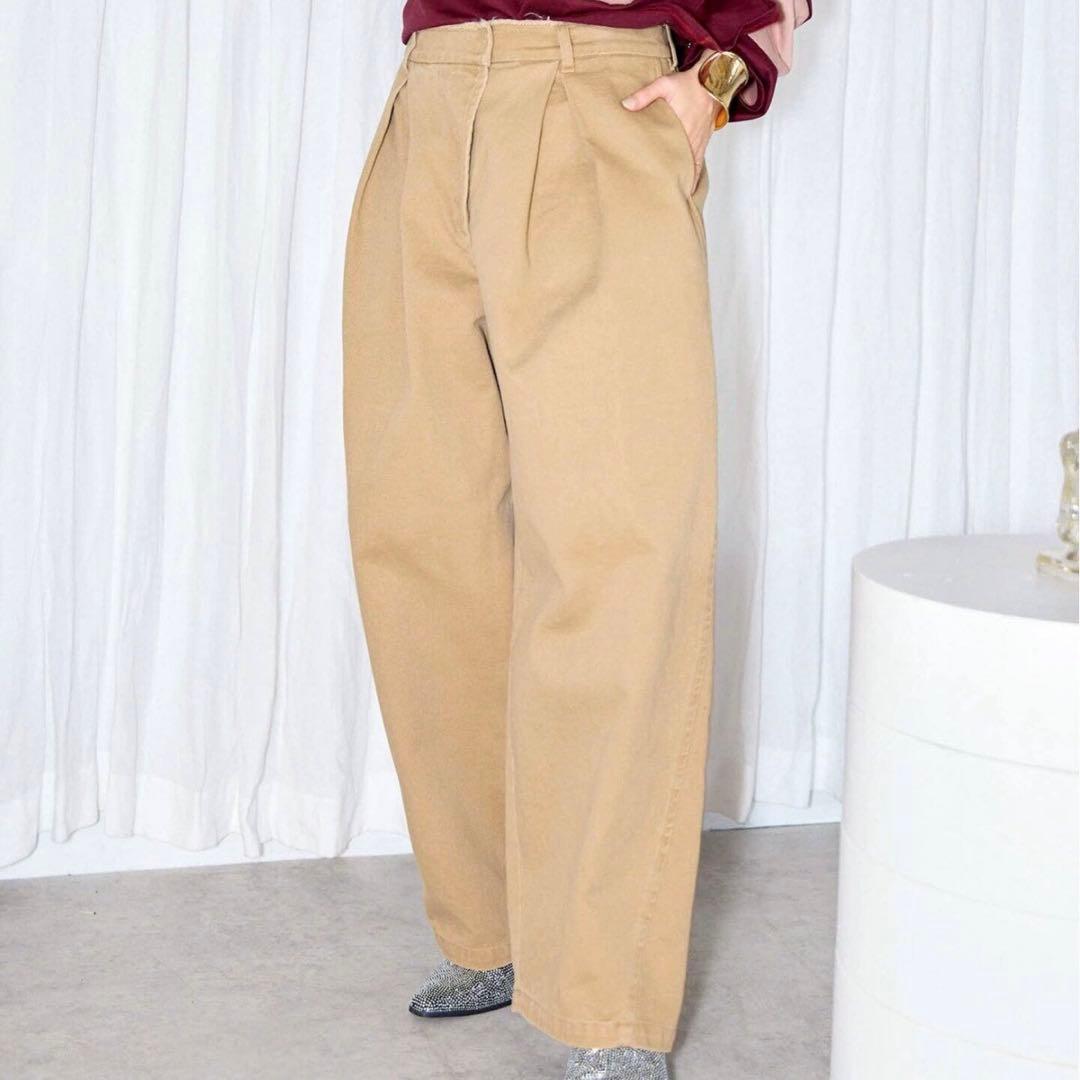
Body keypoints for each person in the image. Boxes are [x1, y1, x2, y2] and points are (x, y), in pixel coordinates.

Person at [341, 2, 809, 1076]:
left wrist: (721, 78)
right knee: (424, 546)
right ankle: (496, 929)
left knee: (615, 554)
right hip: (431, 98)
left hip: (599, 93)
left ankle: (605, 993)